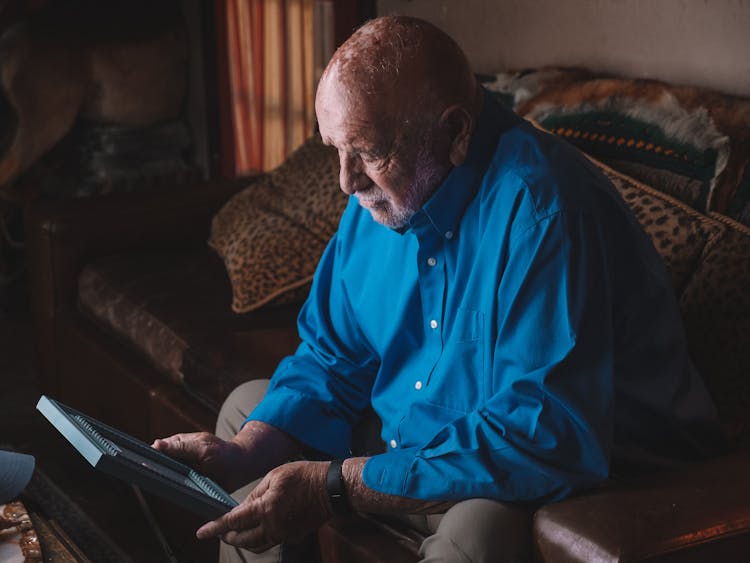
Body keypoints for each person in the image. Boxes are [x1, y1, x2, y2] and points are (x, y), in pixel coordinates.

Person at [154, 15, 726, 563]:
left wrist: (335, 484)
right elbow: (333, 354)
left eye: (370, 152)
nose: (346, 182)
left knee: (481, 532)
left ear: (455, 132)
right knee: (247, 412)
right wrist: (251, 448)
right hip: (435, 437)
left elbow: (542, 435)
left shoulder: (542, 211)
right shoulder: (379, 197)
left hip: (573, 461)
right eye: (336, 149)